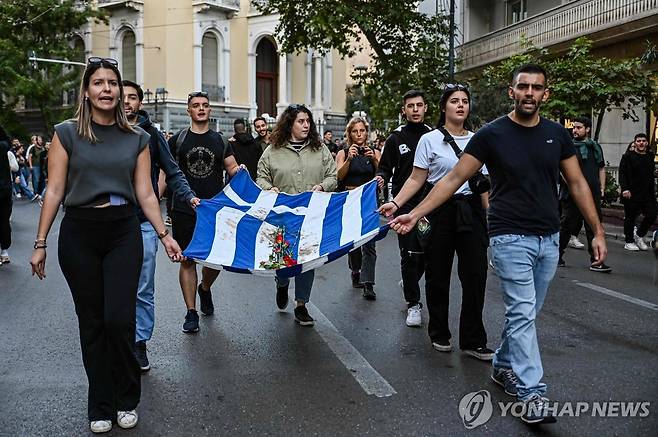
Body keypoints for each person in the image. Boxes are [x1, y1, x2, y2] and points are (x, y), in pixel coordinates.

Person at [388, 64, 608, 424]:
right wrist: (413, 213)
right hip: (508, 235)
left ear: (545, 94)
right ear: (512, 91)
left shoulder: (557, 135)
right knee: (522, 311)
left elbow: (578, 184)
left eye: (537, 88)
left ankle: (503, 363)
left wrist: (596, 230)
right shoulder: (491, 135)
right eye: (523, 87)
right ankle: (532, 392)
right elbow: (454, 178)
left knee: (528, 312)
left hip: (548, 236)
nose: (529, 93)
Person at [29, 57, 183, 434]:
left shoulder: (138, 138)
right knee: (93, 322)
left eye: (112, 83)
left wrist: (165, 234)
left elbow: (145, 193)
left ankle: (127, 397)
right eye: (98, 83)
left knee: (119, 319)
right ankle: (99, 403)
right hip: (79, 231)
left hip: (122, 231)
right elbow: (54, 190)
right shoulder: (65, 134)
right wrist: (40, 242)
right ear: (86, 91)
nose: (106, 89)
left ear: (119, 90)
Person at [380, 84, 494, 360]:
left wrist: (491, 220)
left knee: (475, 276)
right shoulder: (429, 140)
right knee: (438, 274)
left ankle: (473, 340)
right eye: (454, 101)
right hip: (439, 210)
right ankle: (440, 332)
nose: (460, 106)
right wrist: (396, 203)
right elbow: (417, 179)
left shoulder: (480, 140)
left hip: (471, 213)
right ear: (444, 107)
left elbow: (485, 186)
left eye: (465, 101)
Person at [122, 80, 199, 371]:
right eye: (123, 97)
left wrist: (188, 195)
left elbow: (172, 171)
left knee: (143, 287)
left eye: (133, 98)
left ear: (140, 103)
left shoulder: (152, 135)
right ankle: (119, 341)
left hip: (144, 222)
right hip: (110, 223)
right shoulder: (105, 131)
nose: (127, 102)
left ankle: (139, 343)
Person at [169, 91, 243, 334]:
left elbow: (232, 170)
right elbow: (166, 175)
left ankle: (205, 288)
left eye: (205, 105)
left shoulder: (221, 141)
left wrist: (241, 172)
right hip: (184, 209)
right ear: (188, 111)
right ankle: (191, 312)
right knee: (188, 259)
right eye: (195, 106)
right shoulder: (178, 140)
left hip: (214, 210)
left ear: (209, 111)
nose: (200, 109)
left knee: (215, 260)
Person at [256, 104, 337, 326]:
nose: (306, 125)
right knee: (284, 262)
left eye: (308, 121)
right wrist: (268, 188)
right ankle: (281, 283)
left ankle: (301, 305)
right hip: (282, 218)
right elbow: (261, 177)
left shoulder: (319, 149)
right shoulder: (273, 150)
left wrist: (322, 186)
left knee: (307, 260)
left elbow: (333, 176)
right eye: (301, 121)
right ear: (290, 124)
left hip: (311, 217)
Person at [375, 90, 432, 327]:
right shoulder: (395, 138)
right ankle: (413, 303)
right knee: (409, 253)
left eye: (419, 105)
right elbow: (385, 167)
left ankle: (409, 281)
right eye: (411, 106)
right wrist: (380, 177)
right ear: (404, 110)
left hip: (431, 201)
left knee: (428, 252)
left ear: (426, 108)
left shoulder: (435, 136)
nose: (415, 110)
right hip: (403, 202)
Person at [558, 116, 610, 271]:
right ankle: (556, 255)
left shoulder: (594, 147)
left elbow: (601, 167)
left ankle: (596, 260)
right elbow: (561, 169)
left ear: (587, 129)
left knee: (593, 227)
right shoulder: (569, 147)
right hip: (573, 194)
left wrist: (602, 187)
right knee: (567, 225)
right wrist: (572, 186)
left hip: (592, 193)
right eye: (574, 127)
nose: (575, 130)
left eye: (579, 127)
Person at [336, 117, 380, 300]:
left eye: (362, 130)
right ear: (350, 134)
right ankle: (356, 270)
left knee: (370, 242)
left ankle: (368, 283)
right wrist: (349, 159)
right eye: (355, 131)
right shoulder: (343, 153)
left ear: (366, 132)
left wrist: (374, 159)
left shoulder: (375, 152)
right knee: (354, 241)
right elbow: (339, 176)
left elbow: (382, 175)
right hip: (350, 199)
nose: (359, 134)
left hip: (369, 201)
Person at [619, 133, 657, 251]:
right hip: (631, 193)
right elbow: (622, 174)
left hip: (647, 193)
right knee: (630, 217)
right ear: (634, 143)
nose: (641, 143)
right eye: (638, 141)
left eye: (643, 141)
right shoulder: (627, 157)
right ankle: (629, 241)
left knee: (652, 214)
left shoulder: (650, 156)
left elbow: (650, 174)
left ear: (646, 143)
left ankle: (639, 235)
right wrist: (625, 189)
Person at [0, 125, 18, 265]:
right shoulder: (4, 146)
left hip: (4, 188)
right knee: (4, 221)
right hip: (5, 188)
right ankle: (4, 251)